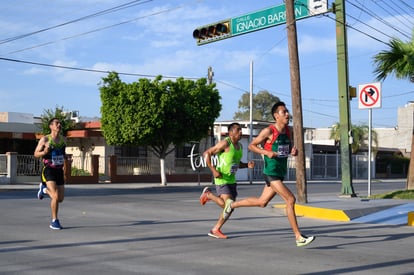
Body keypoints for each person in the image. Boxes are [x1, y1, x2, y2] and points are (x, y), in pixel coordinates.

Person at [222, 102, 315, 247]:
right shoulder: (269, 131)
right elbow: (251, 145)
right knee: (290, 199)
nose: (287, 114)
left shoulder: (288, 131)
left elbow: (287, 148)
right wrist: (266, 152)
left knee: (262, 202)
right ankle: (298, 236)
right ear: (276, 116)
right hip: (271, 173)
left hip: (280, 172)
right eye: (283, 112)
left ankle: (232, 205)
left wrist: (292, 152)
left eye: (287, 112)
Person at [199, 122, 254, 239]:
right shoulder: (225, 143)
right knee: (227, 204)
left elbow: (236, 163)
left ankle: (215, 229)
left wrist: (246, 165)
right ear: (231, 132)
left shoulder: (239, 146)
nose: (241, 132)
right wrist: (213, 170)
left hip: (231, 180)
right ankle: (208, 195)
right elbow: (206, 153)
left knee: (230, 207)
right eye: (238, 130)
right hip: (221, 178)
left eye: (241, 130)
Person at [34, 118, 68, 230]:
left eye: (60, 123)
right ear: (51, 126)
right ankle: (54, 221)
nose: (59, 125)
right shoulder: (45, 139)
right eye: (56, 123)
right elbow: (35, 154)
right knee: (55, 196)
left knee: (61, 199)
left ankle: (43, 190)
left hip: (59, 170)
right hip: (48, 170)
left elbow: (63, 155)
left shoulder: (63, 140)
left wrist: (66, 162)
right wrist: (44, 152)